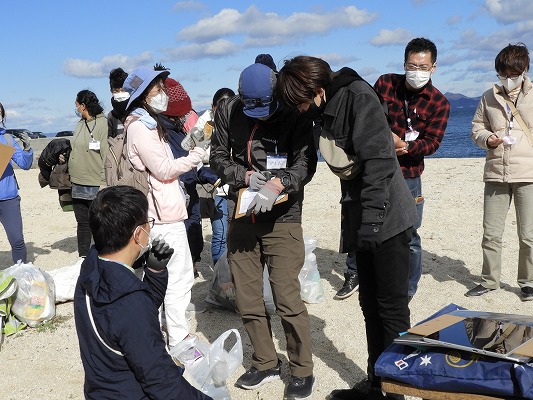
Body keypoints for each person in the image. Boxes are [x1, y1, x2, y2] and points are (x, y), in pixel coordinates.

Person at [277, 56, 418, 400]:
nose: (300, 110)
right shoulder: (320, 109)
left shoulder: (357, 97)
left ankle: (394, 391)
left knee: (392, 307)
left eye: (301, 102)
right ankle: (376, 383)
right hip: (361, 214)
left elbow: (380, 163)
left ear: (318, 90)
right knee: (369, 304)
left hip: (386, 214)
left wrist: (371, 221)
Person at [210, 63, 317, 400]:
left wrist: (280, 183)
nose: (259, 115)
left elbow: (306, 162)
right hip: (242, 214)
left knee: (287, 297)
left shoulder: (293, 112)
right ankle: (265, 361)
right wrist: (243, 177)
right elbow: (216, 154)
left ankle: (301, 369)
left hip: (283, 218)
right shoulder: (229, 109)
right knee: (247, 295)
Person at [73, 185, 210, 399]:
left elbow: (129, 319)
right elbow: (162, 384)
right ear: (138, 233)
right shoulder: (130, 302)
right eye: (148, 222)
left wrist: (155, 271)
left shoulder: (90, 272)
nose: (149, 227)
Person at [122, 67, 207, 350]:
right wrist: (196, 155)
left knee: (159, 276)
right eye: (157, 90)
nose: (162, 95)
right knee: (178, 277)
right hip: (163, 216)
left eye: (161, 89)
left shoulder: (146, 123)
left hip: (162, 211)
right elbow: (163, 169)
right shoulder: (141, 127)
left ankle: (162, 329)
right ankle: (179, 337)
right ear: (142, 96)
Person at [374, 37, 450, 300]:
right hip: (377, 170)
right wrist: (386, 140)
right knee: (373, 225)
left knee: (410, 234)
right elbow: (370, 117)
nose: (416, 71)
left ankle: (408, 288)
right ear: (404, 63)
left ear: (434, 67)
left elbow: (432, 143)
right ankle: (370, 278)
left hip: (409, 175)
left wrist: (404, 146)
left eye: (423, 66)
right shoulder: (385, 83)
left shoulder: (439, 102)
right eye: (412, 65)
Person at [466, 42, 533, 301]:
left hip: (528, 173)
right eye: (502, 74)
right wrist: (488, 138)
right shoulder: (488, 96)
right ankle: (489, 281)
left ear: (524, 69)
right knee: (491, 233)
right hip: (496, 170)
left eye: (512, 74)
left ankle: (528, 283)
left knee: (528, 235)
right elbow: (476, 128)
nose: (507, 79)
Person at [160, 76, 221, 274]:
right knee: (181, 234)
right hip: (176, 193)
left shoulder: (176, 128)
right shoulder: (160, 131)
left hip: (190, 188)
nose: (183, 117)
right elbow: (174, 165)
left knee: (193, 228)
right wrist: (198, 166)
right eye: (180, 114)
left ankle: (192, 264)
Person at [195, 87, 235, 266]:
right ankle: (220, 272)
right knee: (219, 232)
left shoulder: (238, 120)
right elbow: (194, 151)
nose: (225, 109)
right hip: (213, 183)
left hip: (232, 182)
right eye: (221, 106)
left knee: (230, 232)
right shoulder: (204, 125)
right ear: (213, 107)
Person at [68, 90, 109, 258]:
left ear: (83, 105)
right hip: (77, 181)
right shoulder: (80, 123)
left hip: (95, 182)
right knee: (82, 223)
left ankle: (104, 256)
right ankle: (83, 257)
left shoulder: (102, 124)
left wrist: (106, 181)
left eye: (76, 105)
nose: (75, 108)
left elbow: (106, 153)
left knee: (99, 223)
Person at [0, 102, 33, 263]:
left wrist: (27, 148)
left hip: (9, 198)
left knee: (17, 240)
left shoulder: (7, 139)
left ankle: (22, 274)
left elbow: (25, 165)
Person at [107, 67, 129, 138]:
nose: (120, 94)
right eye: (116, 91)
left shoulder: (137, 111)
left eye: (123, 90)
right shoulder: (111, 116)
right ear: (111, 92)